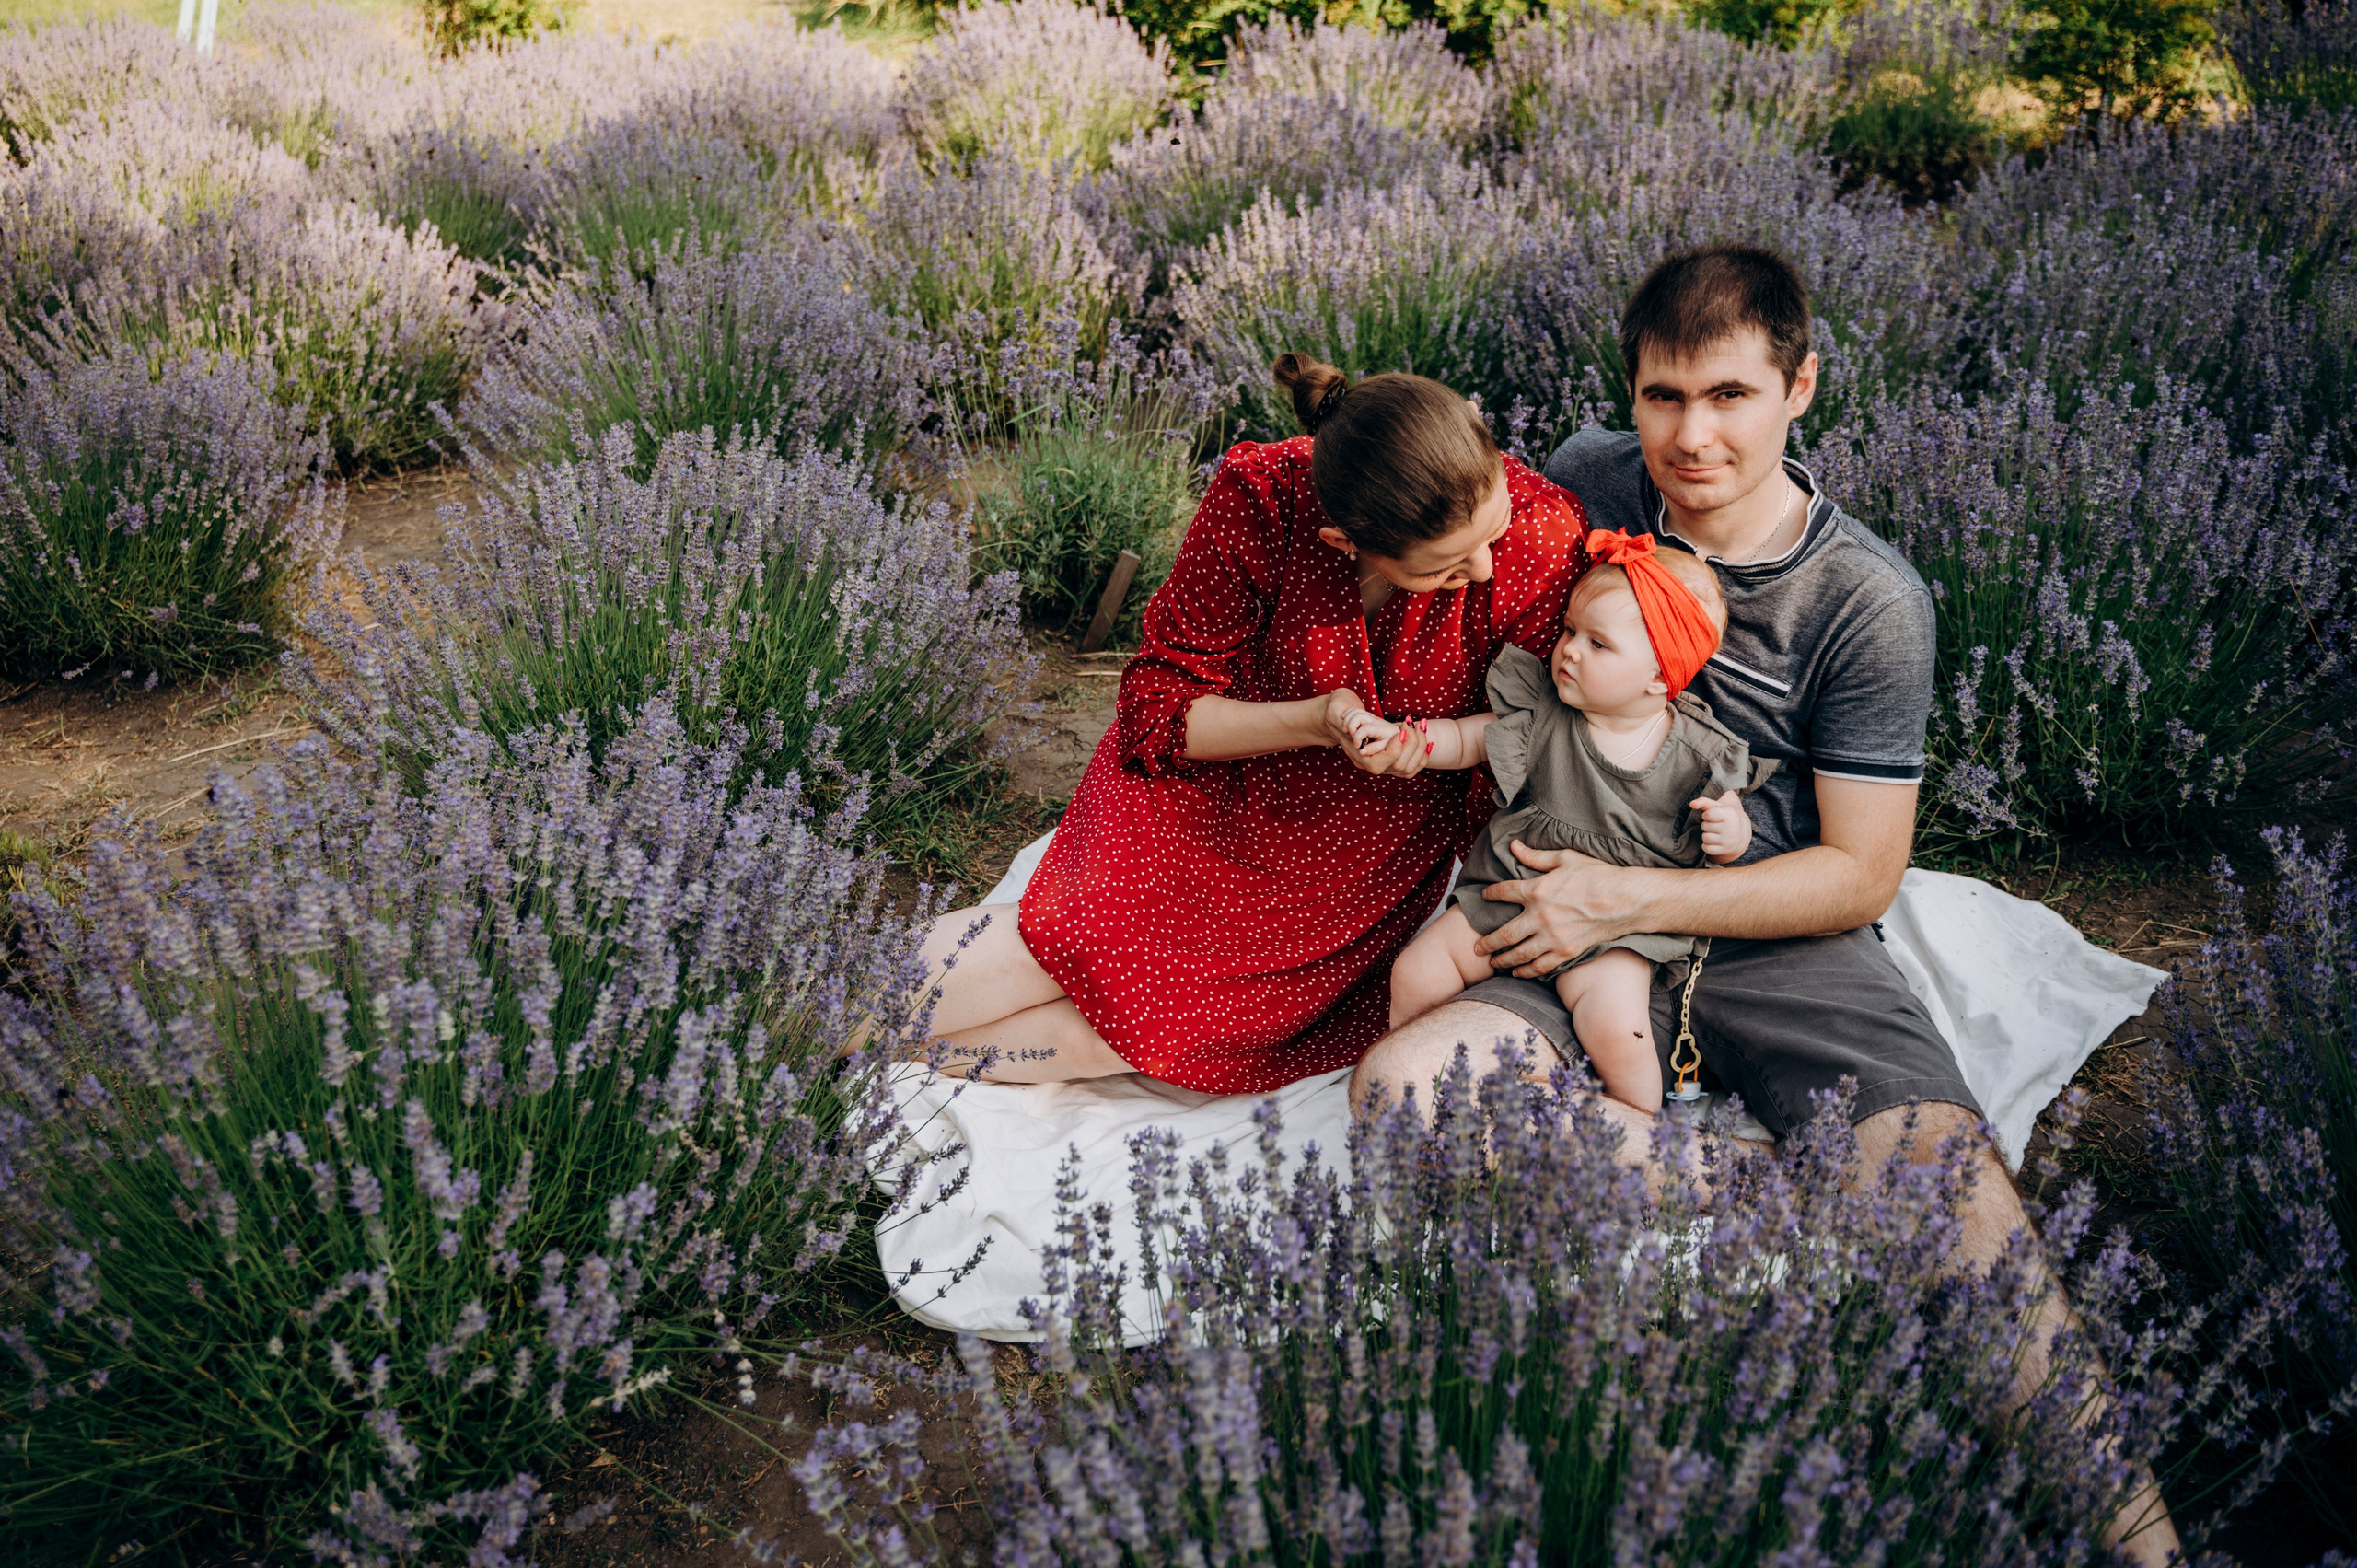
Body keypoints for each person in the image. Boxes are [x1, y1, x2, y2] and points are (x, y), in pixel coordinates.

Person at [1347, 243, 2182, 1563]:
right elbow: (1405, 492)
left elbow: (1862, 869)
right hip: (1560, 890)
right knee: (1404, 1092)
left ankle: (2141, 1534)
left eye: (1731, 394)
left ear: (1801, 387)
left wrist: (1627, 895)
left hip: (1771, 925)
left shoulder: (1866, 599)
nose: (1693, 435)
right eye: (1664, 396)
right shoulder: (1583, 482)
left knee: (1945, 1185)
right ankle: (1753, 1187)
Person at [910, 353, 1589, 1092]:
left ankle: (869, 1055)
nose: (1483, 569)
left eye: (1492, 530)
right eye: (1445, 569)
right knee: (1058, 946)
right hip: (1210, 776)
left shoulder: (1540, 537)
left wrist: (1430, 750)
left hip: (1357, 842)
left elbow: (1537, 731)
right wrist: (1318, 719)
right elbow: (1160, 707)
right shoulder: (1262, 498)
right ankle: (825, 1009)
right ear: (1344, 542)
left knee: (1138, 1034)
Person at [1370, 529, 1771, 1110]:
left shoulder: (1698, 754)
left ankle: (1638, 1119)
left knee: (1617, 1029)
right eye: (1569, 631)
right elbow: (1468, 738)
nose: (1570, 650)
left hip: (1617, 928)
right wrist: (1413, 742)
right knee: (1416, 970)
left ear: (1660, 676)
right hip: (1507, 892)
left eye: (1598, 643)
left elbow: (1727, 836)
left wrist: (1731, 834)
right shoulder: (1544, 711)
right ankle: (1411, 1089)